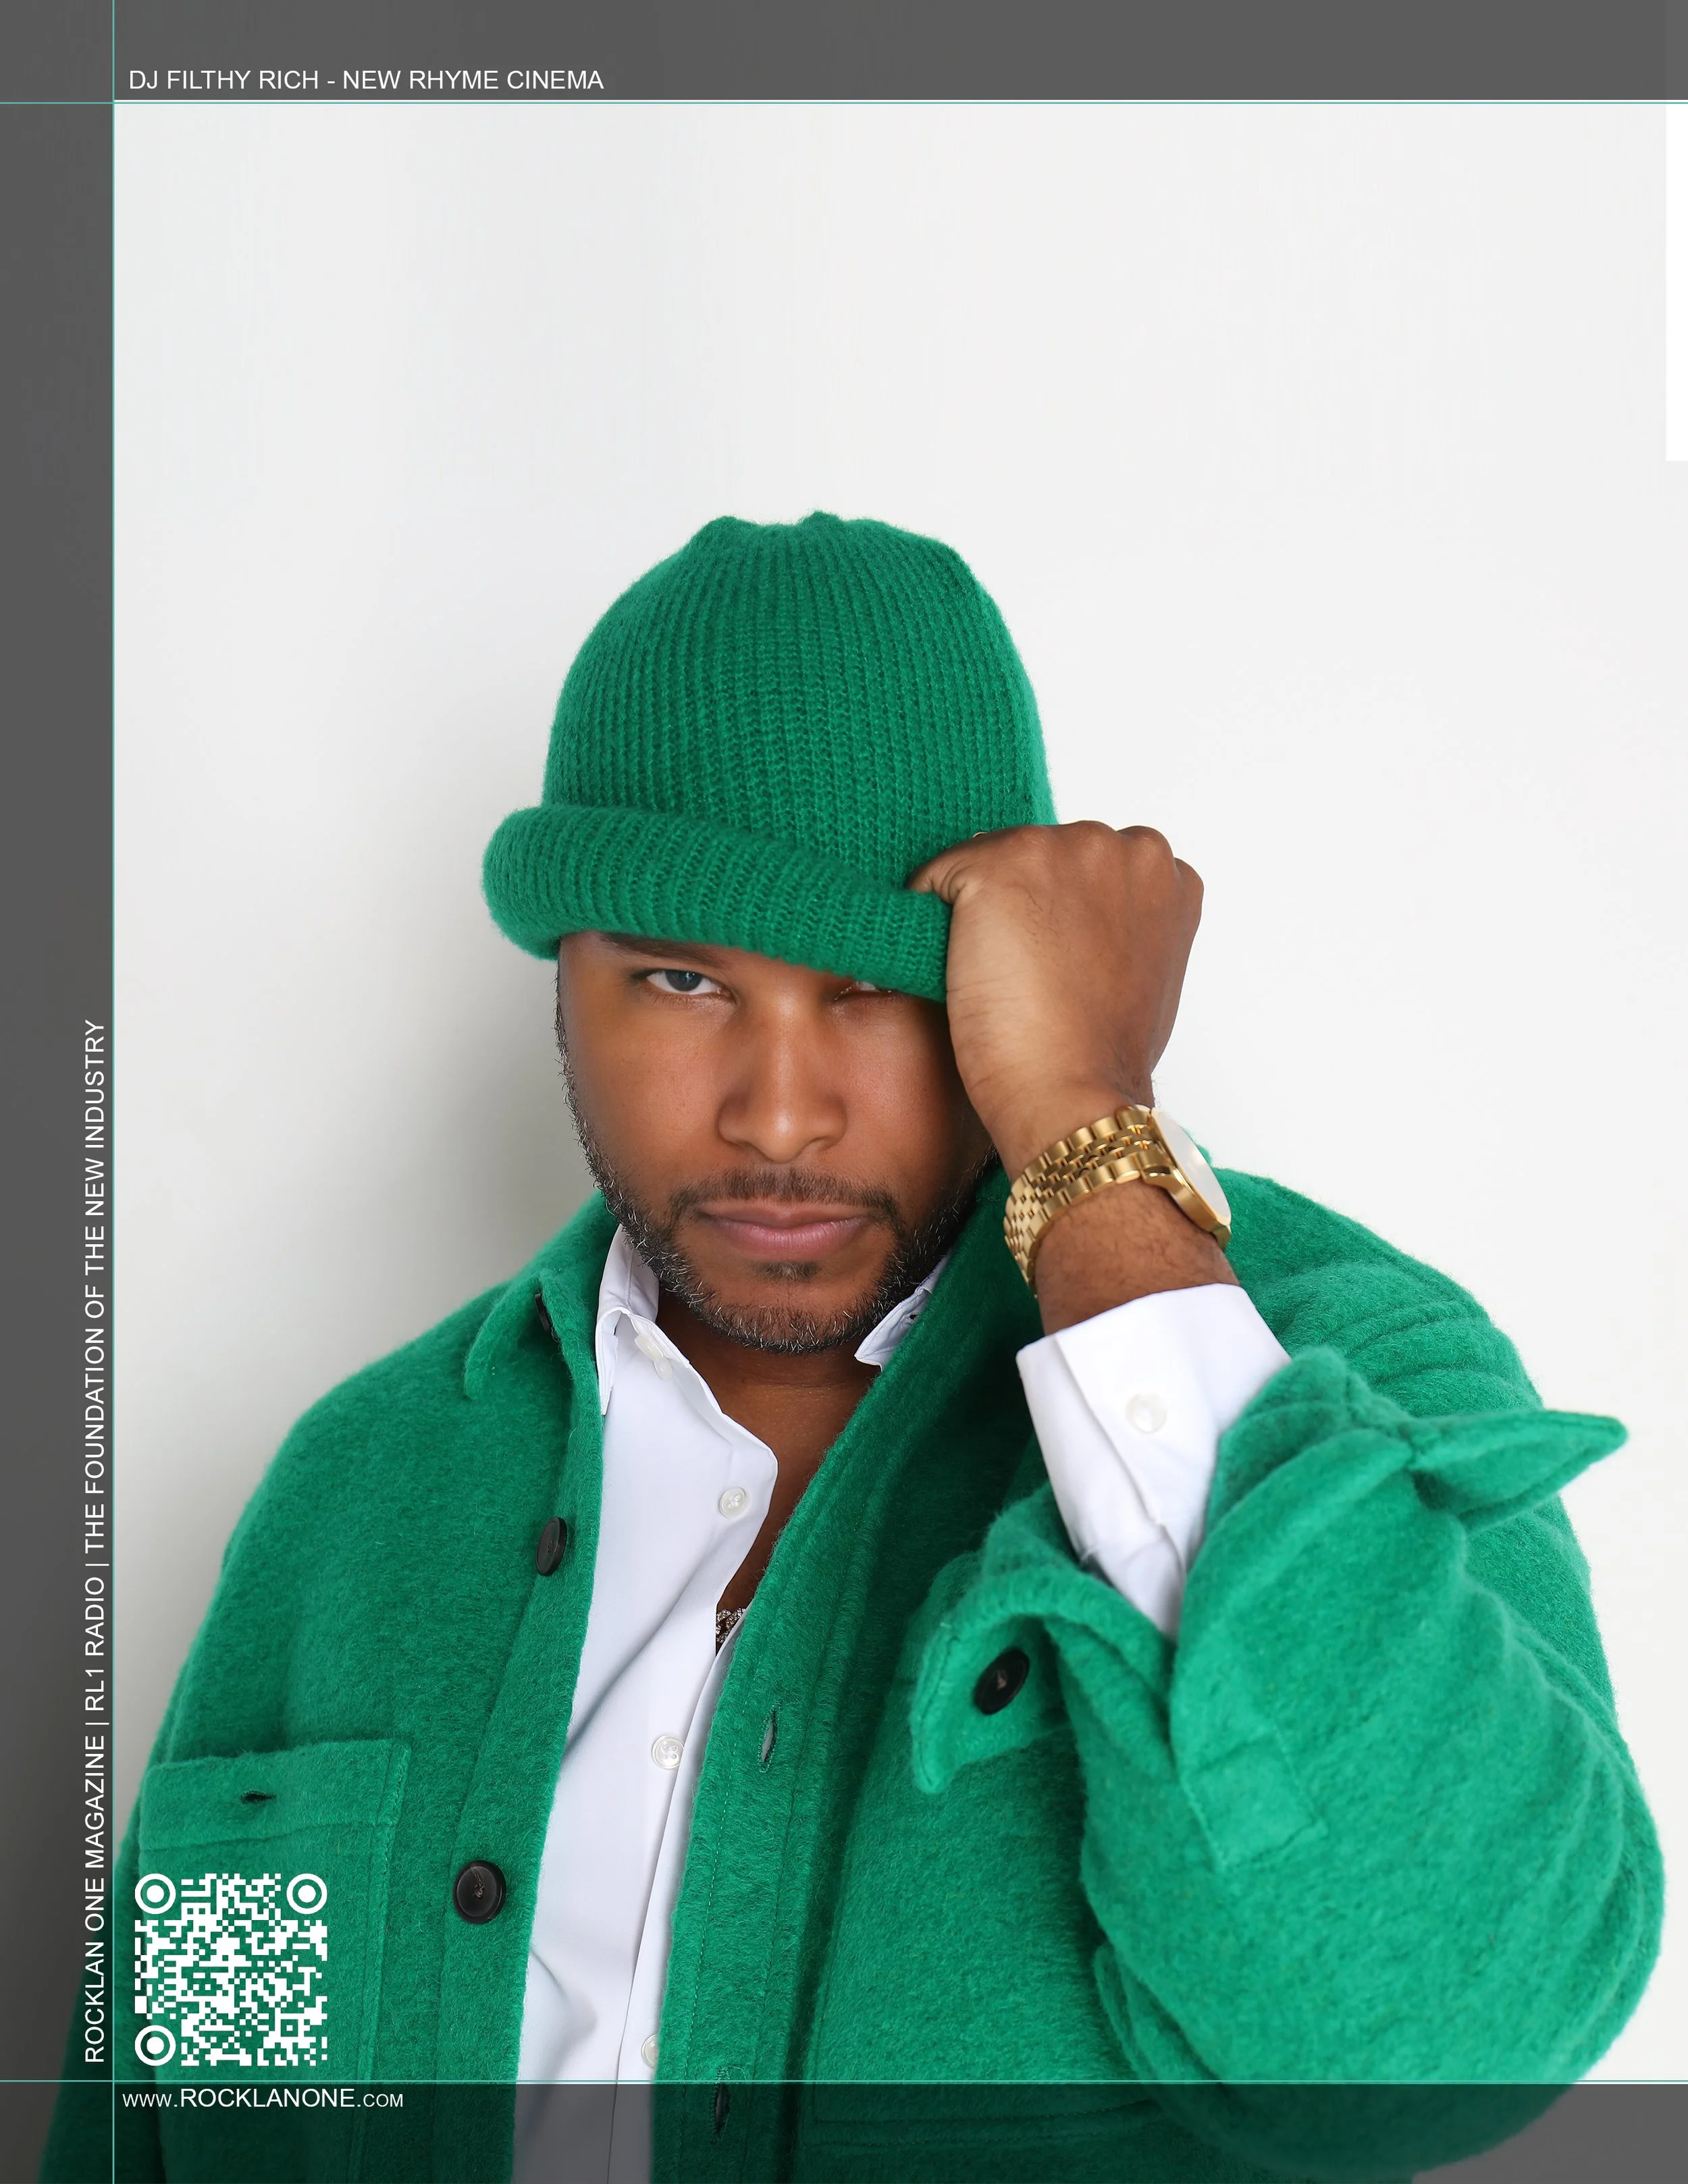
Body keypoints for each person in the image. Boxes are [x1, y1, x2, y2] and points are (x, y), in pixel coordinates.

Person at [48, 514, 1661, 2184]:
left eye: (881, 992)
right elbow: (161, 2134)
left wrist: (1087, 1136)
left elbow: (1440, 2043)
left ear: (1026, 993)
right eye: (679, 978)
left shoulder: (1325, 1369)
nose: (779, 1111)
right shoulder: (360, 1491)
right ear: (560, 980)